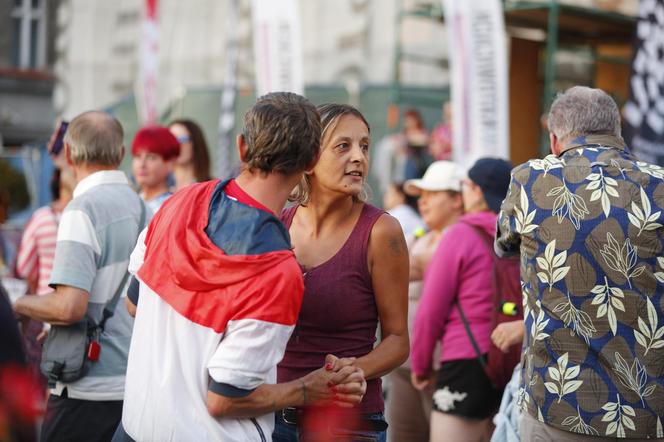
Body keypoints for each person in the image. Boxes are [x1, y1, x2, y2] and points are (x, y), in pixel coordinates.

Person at [116, 93, 366, 442]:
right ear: (311, 161)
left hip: (133, 429)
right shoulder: (276, 271)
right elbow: (225, 398)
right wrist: (309, 389)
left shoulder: (181, 202)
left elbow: (133, 302)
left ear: (241, 148)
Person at [496, 86, 664, 441]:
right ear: (618, 132)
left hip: (555, 405)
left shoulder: (531, 179)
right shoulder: (660, 184)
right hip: (647, 414)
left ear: (555, 140)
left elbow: (503, 244)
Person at [274, 103, 409, 442]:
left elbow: (397, 340)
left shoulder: (381, 231)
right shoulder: (275, 225)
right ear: (309, 157)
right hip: (272, 417)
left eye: (365, 146)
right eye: (343, 146)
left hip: (347, 424)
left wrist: (354, 370)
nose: (359, 157)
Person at [13, 111, 146, 442]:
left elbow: (70, 307)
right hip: (133, 384)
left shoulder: (81, 210)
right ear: (121, 153)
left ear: (69, 154)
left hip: (86, 386)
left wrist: (20, 303)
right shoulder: (145, 209)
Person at [411, 157, 512, 442]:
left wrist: (421, 365)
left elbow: (431, 310)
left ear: (476, 191)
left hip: (466, 362)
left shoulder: (460, 234)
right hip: (512, 361)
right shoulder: (518, 235)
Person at [386, 161, 465, 442]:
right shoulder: (419, 238)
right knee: (403, 435)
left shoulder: (467, 242)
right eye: (421, 194)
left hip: (444, 367)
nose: (423, 202)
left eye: (432, 194)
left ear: (457, 199)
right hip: (405, 365)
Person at [16, 168, 75, 384]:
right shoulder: (83, 217)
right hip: (77, 311)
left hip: (43, 310)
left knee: (43, 380)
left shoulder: (41, 219)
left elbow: (24, 267)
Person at [131, 126, 180, 213]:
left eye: (151, 157)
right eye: (138, 156)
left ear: (170, 163)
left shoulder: (175, 208)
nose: (142, 164)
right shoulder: (129, 202)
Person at [168, 119, 212, 190]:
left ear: (196, 143)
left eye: (182, 139)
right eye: (171, 140)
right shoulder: (157, 186)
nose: (177, 145)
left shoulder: (213, 188)